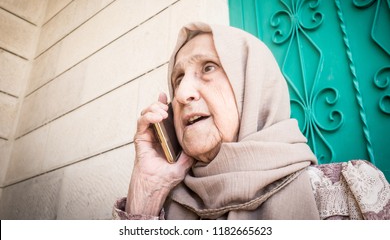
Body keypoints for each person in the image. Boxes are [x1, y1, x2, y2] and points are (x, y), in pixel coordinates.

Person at [113, 22, 390, 220]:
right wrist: (147, 189)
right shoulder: (158, 214)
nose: (183, 94)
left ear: (253, 86)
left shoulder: (351, 194)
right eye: (178, 79)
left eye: (208, 67)